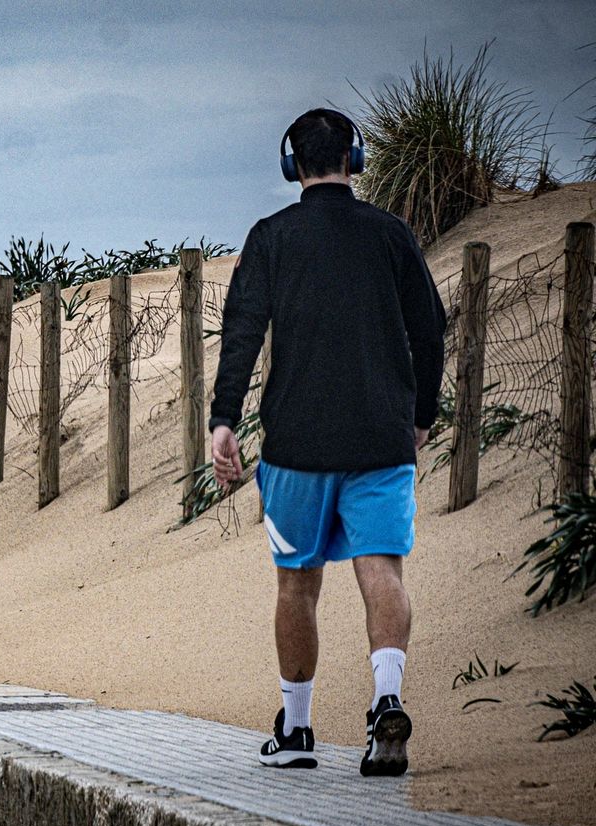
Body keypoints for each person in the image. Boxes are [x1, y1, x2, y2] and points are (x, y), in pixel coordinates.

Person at [209, 108, 445, 776]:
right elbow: (430, 330)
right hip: (381, 437)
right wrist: (421, 414)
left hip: (298, 444)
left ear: (293, 166)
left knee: (297, 585)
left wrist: (224, 419)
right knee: (382, 569)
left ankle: (297, 730)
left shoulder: (271, 237)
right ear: (354, 160)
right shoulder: (391, 233)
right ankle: (386, 699)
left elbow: (242, 331)